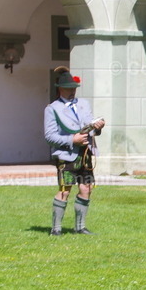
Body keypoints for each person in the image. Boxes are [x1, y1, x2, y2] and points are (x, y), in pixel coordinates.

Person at [44, 68, 105, 235]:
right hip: (67, 155)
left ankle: (80, 227)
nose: (72, 91)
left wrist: (97, 128)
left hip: (85, 153)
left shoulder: (84, 104)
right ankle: (56, 229)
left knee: (86, 188)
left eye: (74, 88)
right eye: (68, 88)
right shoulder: (52, 108)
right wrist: (72, 140)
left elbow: (90, 127)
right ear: (60, 89)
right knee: (65, 189)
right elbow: (49, 136)